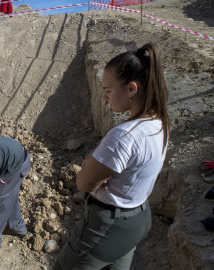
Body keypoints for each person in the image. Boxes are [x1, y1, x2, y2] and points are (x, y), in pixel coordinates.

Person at [54, 43, 170, 269]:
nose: (105, 97)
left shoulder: (123, 136)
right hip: (137, 219)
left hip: (107, 226)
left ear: (131, 88)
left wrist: (90, 165)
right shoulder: (159, 121)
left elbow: (84, 183)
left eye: (108, 90)